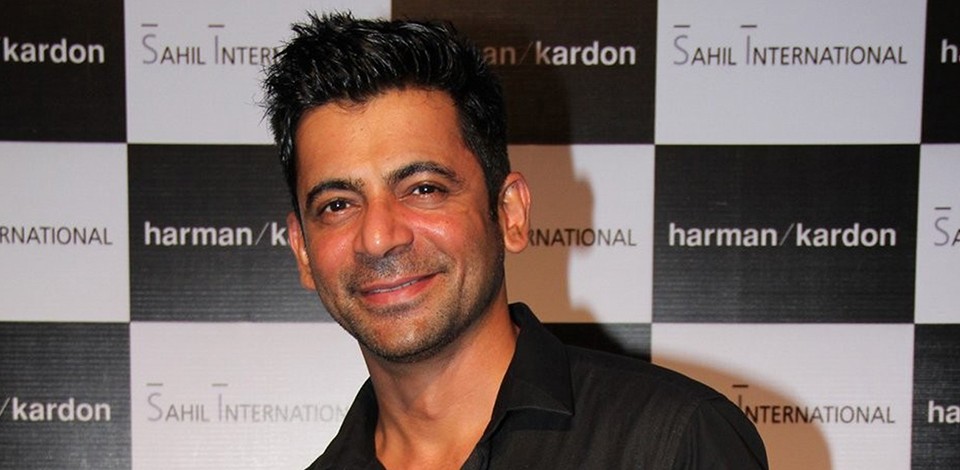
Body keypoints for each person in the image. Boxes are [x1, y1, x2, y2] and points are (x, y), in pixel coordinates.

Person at [263, 12, 768, 470]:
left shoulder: (673, 442)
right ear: (302, 250)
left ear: (510, 213)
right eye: (337, 205)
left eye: (424, 189)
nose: (378, 237)